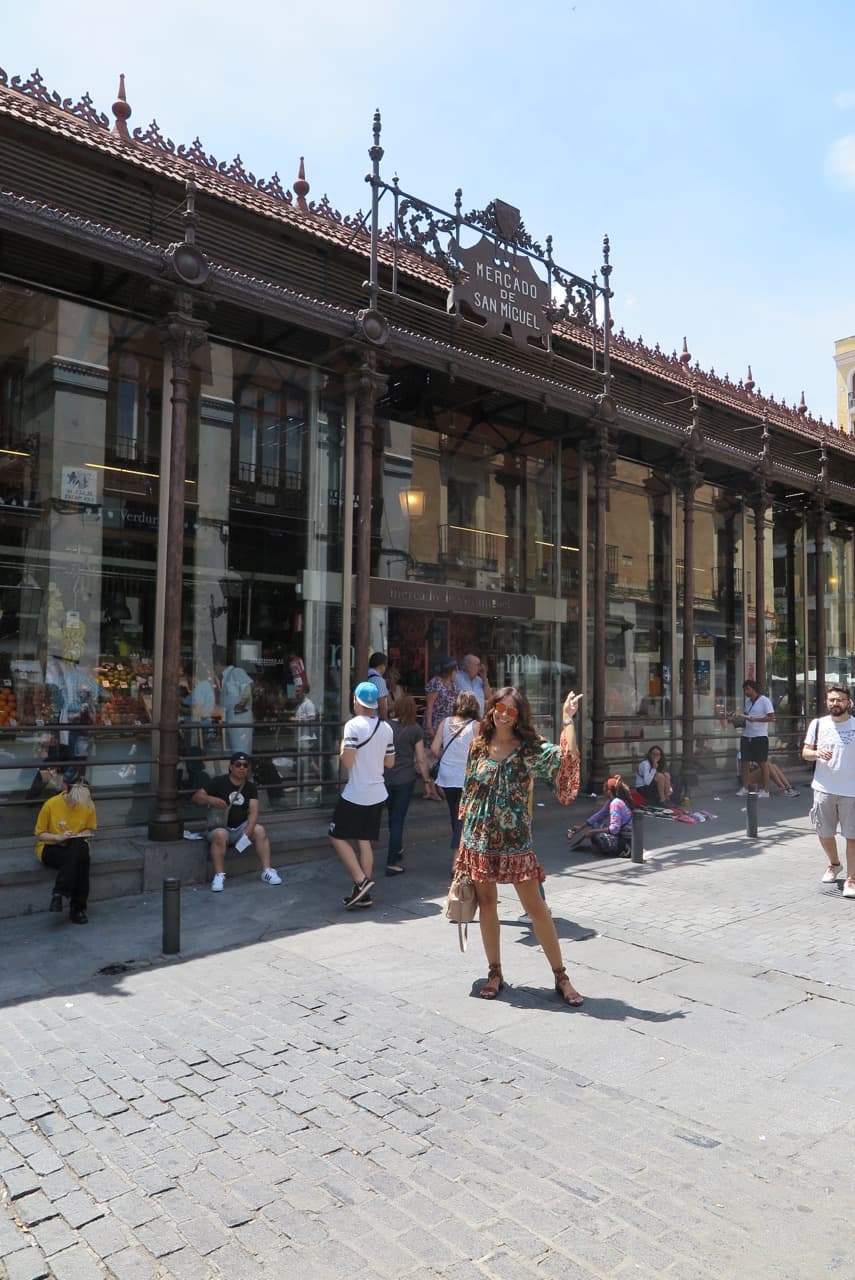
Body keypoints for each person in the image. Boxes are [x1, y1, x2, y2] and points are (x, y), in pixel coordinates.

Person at [454, 686, 584, 1006]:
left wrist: (568, 720)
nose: (503, 714)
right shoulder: (478, 746)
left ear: (519, 716)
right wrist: (462, 850)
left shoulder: (527, 749)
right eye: (500, 707)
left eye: (511, 711)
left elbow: (564, 760)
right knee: (487, 905)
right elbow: (469, 795)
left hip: (515, 842)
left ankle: (561, 976)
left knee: (535, 908)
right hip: (480, 839)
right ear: (492, 708)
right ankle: (494, 972)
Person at [329, 681, 395, 909]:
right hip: (377, 793)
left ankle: (361, 880)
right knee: (364, 841)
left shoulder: (352, 726)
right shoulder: (386, 728)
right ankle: (363, 894)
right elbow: (390, 762)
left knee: (336, 836)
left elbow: (347, 761)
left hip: (356, 792)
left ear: (356, 701)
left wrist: (341, 748)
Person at [192, 751, 282, 891]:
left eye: (245, 765)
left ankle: (267, 871)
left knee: (259, 830)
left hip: (240, 828)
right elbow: (196, 797)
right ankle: (219, 875)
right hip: (219, 827)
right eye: (238, 764)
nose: (242, 768)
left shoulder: (250, 787)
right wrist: (211, 799)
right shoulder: (219, 782)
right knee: (220, 834)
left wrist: (248, 830)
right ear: (231, 767)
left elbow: (254, 811)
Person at [803, 684, 855, 897]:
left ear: (848, 702)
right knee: (824, 833)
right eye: (832, 699)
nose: (836, 703)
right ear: (826, 702)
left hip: (852, 792)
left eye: (840, 700)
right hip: (823, 788)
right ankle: (834, 864)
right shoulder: (817, 725)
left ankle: (851, 879)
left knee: (852, 837)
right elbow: (805, 752)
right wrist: (816, 754)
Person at [34, 766, 96, 924]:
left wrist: (82, 834)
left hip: (75, 846)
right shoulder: (51, 804)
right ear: (64, 788)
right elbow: (40, 834)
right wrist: (58, 837)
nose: (77, 800)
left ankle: (58, 894)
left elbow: (90, 827)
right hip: (51, 847)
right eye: (74, 795)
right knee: (80, 857)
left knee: (78, 848)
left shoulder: (87, 804)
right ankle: (78, 908)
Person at [384, 694, 436, 874]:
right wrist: (427, 780)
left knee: (392, 817)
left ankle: (396, 848)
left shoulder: (386, 726)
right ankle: (392, 861)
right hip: (405, 779)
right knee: (399, 818)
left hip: (386, 777)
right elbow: (421, 759)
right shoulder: (415, 729)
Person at [431, 690, 480, 853]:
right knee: (463, 816)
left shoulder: (445, 722)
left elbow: (434, 749)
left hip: (446, 776)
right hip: (465, 776)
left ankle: (459, 850)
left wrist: (447, 759)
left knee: (455, 813)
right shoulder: (475, 726)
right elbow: (482, 752)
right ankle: (456, 859)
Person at [569, 775, 634, 856]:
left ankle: (614, 849)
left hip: (625, 840)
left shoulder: (615, 803)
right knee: (596, 824)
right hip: (622, 835)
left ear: (609, 792)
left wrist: (593, 832)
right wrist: (581, 827)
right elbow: (599, 815)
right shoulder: (612, 801)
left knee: (597, 835)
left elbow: (614, 829)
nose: (603, 791)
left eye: (604, 789)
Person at [733, 679, 775, 796]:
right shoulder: (747, 702)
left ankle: (766, 790)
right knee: (744, 762)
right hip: (747, 735)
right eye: (745, 690)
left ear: (754, 689)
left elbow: (772, 717)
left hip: (759, 736)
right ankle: (745, 787)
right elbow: (746, 717)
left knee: (762, 763)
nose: (746, 692)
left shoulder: (764, 701)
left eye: (748, 689)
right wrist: (737, 720)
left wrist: (755, 719)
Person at [221, 652, 254, 754]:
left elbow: (247, 689)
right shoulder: (225, 677)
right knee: (235, 752)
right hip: (233, 720)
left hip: (241, 721)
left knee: (242, 752)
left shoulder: (236, 671)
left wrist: (238, 709)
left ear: (218, 664)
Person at [425, 657, 458, 743]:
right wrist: (429, 726)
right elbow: (430, 704)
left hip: (448, 724)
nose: (457, 672)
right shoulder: (436, 682)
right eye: (455, 670)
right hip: (436, 722)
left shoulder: (453, 685)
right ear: (450, 671)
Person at [367, 652, 390, 721]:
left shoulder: (366, 676)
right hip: (375, 721)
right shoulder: (379, 680)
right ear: (382, 666)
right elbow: (381, 703)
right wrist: (386, 722)